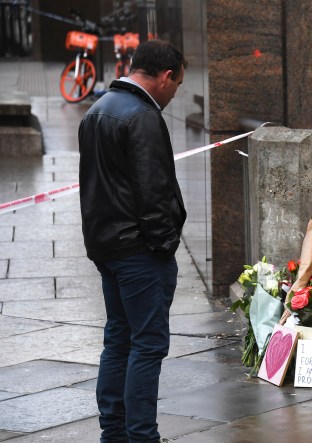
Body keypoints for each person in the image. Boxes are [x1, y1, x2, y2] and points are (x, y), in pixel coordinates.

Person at [78, 39, 187, 443]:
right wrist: (163, 245)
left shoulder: (98, 108)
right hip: (138, 251)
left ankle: (115, 433)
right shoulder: (141, 116)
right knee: (147, 344)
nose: (175, 93)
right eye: (177, 84)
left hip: (107, 245)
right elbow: (153, 190)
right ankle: (142, 435)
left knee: (118, 338)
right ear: (165, 75)